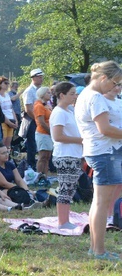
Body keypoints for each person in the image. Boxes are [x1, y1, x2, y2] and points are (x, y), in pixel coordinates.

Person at [74, 61, 122, 261]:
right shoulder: (96, 98)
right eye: (114, 83)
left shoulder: (86, 94)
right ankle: (99, 251)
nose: (115, 88)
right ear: (103, 78)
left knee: (98, 203)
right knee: (103, 203)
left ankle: (96, 248)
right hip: (105, 152)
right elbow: (105, 129)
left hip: (98, 151)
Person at [49, 82, 83, 229]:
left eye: (75, 93)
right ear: (61, 95)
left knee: (70, 188)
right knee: (65, 188)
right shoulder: (59, 112)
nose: (75, 96)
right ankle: (63, 222)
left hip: (73, 154)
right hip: (65, 155)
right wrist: (81, 140)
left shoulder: (69, 111)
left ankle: (66, 219)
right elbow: (57, 136)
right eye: (72, 94)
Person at [22, 68, 45, 169]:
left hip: (40, 119)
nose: (41, 79)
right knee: (32, 143)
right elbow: (28, 109)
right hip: (32, 120)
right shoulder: (29, 91)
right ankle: (31, 164)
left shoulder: (40, 90)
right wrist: (37, 120)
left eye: (42, 77)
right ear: (34, 78)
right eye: (39, 77)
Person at [33, 86, 53, 176]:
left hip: (47, 133)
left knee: (47, 156)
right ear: (42, 94)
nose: (50, 94)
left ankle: (45, 175)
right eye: (48, 93)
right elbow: (41, 122)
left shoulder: (46, 105)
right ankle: (39, 175)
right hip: (43, 133)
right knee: (43, 156)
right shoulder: (39, 106)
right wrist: (50, 132)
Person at [0, 76, 18, 150]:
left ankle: (7, 159)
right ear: (0, 84)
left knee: (8, 143)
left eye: (8, 83)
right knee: (2, 143)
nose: (7, 85)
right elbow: (0, 112)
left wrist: (16, 120)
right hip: (3, 121)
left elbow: (11, 108)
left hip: (11, 120)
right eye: (5, 83)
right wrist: (8, 122)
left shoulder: (7, 95)